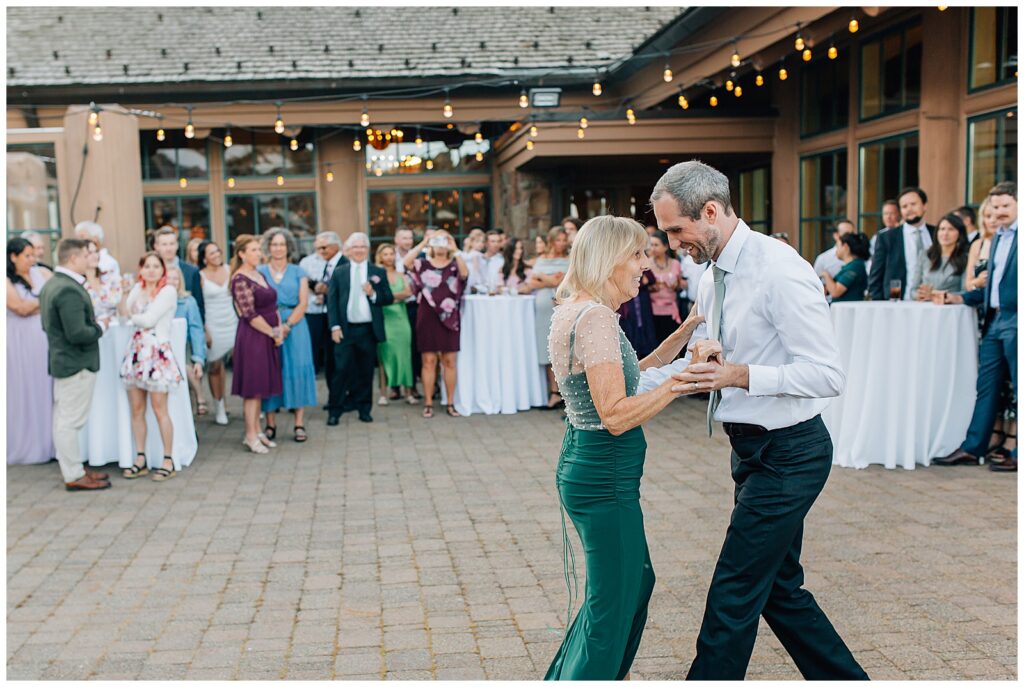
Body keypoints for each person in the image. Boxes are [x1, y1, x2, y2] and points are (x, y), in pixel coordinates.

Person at [645, 160, 867, 680]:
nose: (674, 242)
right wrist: (621, 386)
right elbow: (701, 361)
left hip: (792, 453)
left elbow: (827, 375)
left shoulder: (780, 268)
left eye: (677, 229)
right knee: (779, 590)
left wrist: (740, 375)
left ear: (712, 211)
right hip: (748, 450)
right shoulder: (709, 274)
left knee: (735, 588)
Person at [543, 215, 705, 680]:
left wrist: (685, 332)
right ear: (609, 258)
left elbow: (631, 372)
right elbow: (615, 414)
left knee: (631, 587)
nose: (646, 266)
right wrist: (683, 382)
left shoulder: (580, 308)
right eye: (637, 255)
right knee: (614, 602)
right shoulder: (593, 318)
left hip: (592, 467)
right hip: (603, 474)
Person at [934, 181, 1018, 472]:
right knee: (985, 387)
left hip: (1017, 319)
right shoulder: (997, 239)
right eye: (995, 207)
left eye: (1006, 205)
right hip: (995, 321)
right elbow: (988, 288)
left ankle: (1018, 453)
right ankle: (973, 448)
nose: (999, 212)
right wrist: (956, 297)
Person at [39, 238, 109, 491]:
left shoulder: (53, 284)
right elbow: (77, 333)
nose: (88, 260)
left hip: (64, 360)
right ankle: (73, 474)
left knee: (64, 419)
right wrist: (101, 327)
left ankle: (74, 467)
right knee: (69, 421)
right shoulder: (67, 288)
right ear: (72, 259)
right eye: (84, 256)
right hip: (75, 363)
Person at [117, 252, 183, 482]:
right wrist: (126, 297)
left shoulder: (167, 291)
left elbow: (149, 319)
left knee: (159, 408)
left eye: (157, 266)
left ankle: (168, 458)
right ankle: (140, 456)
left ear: (163, 270)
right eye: (148, 266)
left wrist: (133, 314)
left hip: (156, 350)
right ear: (141, 269)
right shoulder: (137, 289)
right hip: (137, 352)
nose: (152, 270)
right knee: (137, 409)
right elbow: (123, 315)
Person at [327, 232, 394, 424]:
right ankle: (334, 410)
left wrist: (373, 294)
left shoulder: (377, 272)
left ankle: (364, 409)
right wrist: (334, 326)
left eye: (362, 247)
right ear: (348, 250)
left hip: (367, 330)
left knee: (365, 371)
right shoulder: (340, 272)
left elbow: (387, 297)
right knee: (341, 370)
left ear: (368, 250)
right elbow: (331, 302)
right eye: (355, 247)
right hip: (345, 329)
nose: (359, 251)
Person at [258, 228, 318, 443]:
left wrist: (287, 325)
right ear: (268, 247)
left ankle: (299, 423)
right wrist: (273, 326)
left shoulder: (298, 271)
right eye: (274, 244)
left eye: (282, 244)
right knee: (272, 369)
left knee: (298, 368)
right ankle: (270, 424)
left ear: (288, 247)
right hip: (267, 324)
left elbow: (303, 302)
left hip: (296, 324)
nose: (278, 248)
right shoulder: (260, 271)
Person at [404, 230, 468, 419]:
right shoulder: (422, 264)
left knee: (449, 362)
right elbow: (406, 263)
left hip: (449, 317)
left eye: (444, 240)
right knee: (428, 362)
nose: (441, 244)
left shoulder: (456, 264)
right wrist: (423, 243)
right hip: (427, 315)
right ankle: (428, 403)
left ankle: (450, 403)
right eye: (437, 240)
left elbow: (465, 274)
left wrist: (455, 248)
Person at [230, 234, 283, 454]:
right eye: (252, 250)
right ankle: (250, 435)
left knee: (261, 387)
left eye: (258, 249)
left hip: (269, 334)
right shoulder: (240, 279)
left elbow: (273, 303)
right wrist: (272, 332)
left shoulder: (259, 274)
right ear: (241, 254)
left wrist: (279, 329)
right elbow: (249, 314)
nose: (258, 253)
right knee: (252, 390)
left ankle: (258, 430)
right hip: (253, 337)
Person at [7, 237, 55, 466]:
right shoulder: (6, 279)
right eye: (27, 255)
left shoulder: (42, 273)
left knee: (45, 387)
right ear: (13, 257)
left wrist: (41, 302)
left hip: (43, 340)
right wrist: (44, 300)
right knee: (23, 390)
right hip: (19, 342)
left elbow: (58, 292)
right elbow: (20, 308)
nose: (32, 259)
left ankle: (49, 442)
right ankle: (26, 443)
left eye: (33, 254)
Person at [528, 226, 571, 409]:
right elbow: (531, 282)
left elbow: (562, 282)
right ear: (551, 241)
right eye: (558, 239)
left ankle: (567, 393)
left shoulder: (569, 260)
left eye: (564, 239)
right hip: (543, 309)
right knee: (546, 349)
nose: (561, 243)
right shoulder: (541, 259)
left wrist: (542, 278)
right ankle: (553, 392)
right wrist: (550, 279)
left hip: (562, 306)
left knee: (564, 349)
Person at [868, 187, 936, 300]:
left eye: (913, 204)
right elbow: (875, 276)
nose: (909, 209)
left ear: (924, 206)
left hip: (932, 303)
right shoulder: (887, 238)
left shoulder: (937, 234)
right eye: (904, 206)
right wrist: (879, 304)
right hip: (898, 303)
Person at [198, 240, 238, 425]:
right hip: (212, 324)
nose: (216, 255)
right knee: (215, 366)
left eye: (217, 251)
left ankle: (253, 403)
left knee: (243, 363)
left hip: (233, 321)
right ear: (204, 258)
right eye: (211, 253)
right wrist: (205, 330)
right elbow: (199, 304)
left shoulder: (231, 270)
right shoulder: (200, 276)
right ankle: (219, 406)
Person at [298, 231, 347, 379]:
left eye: (324, 247)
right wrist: (314, 289)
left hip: (331, 311)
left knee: (332, 349)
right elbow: (302, 283)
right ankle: (312, 373)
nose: (321, 251)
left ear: (335, 246)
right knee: (312, 345)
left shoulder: (342, 261)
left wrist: (327, 290)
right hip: (313, 310)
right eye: (318, 248)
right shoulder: (306, 262)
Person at [374, 243, 417, 405]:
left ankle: (408, 392)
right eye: (385, 254)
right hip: (384, 319)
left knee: (405, 355)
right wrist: (392, 297)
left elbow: (408, 292)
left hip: (401, 319)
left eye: (391, 254)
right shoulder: (376, 275)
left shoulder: (401, 275)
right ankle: (384, 393)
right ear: (380, 256)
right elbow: (375, 296)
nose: (389, 257)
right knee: (384, 357)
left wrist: (388, 297)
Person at [167, 267, 207, 417]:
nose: (172, 282)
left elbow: (196, 330)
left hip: (184, 346)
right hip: (165, 347)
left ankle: (199, 394)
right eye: (168, 278)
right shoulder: (156, 300)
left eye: (175, 278)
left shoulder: (188, 302)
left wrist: (198, 358)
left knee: (186, 367)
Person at [911, 213, 969, 299]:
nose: (945, 233)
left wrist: (935, 295)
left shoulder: (966, 258)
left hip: (951, 309)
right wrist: (921, 295)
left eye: (951, 229)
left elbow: (966, 292)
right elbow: (913, 291)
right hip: (926, 308)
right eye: (942, 229)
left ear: (960, 233)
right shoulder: (925, 255)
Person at [153, 225, 205, 321]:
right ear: (156, 247)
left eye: (172, 244)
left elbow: (199, 306)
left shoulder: (192, 271)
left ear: (177, 245)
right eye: (164, 244)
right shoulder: (151, 272)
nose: (168, 248)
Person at [393, 225, 422, 393]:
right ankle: (395, 385)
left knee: (414, 346)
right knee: (398, 346)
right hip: (396, 306)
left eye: (410, 238)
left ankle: (412, 385)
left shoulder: (420, 257)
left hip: (414, 306)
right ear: (396, 239)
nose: (408, 241)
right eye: (404, 238)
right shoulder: (390, 258)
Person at [648, 229, 682, 343]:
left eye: (656, 245)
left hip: (671, 311)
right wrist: (652, 288)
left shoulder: (675, 263)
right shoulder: (647, 264)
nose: (652, 248)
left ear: (665, 247)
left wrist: (675, 285)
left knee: (671, 343)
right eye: (651, 245)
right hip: (652, 311)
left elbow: (679, 285)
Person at [82, 238, 122, 331]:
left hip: (114, 328)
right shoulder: (78, 283)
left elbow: (119, 301)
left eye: (96, 252)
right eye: (89, 253)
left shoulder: (110, 277)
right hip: (91, 330)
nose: (94, 256)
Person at [822, 233, 871, 302]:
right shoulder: (852, 266)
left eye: (838, 246)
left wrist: (826, 275)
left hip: (848, 310)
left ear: (845, 247)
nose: (836, 251)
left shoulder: (855, 267)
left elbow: (835, 292)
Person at [965, 198, 997, 293]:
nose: (992, 221)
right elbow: (968, 284)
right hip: (979, 302)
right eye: (988, 216)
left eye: (996, 216)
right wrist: (978, 282)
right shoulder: (977, 245)